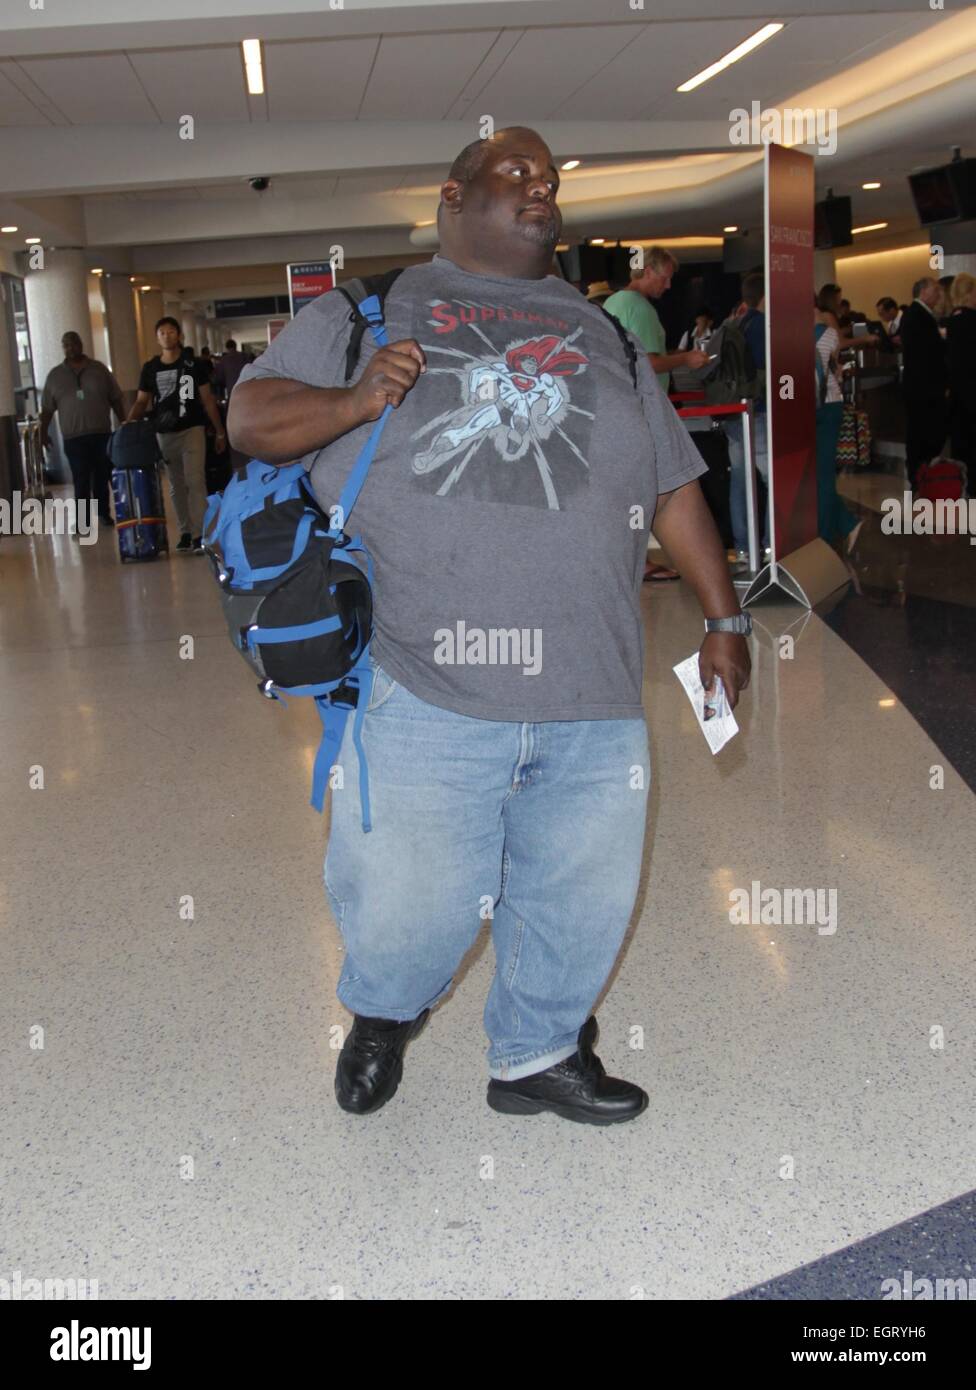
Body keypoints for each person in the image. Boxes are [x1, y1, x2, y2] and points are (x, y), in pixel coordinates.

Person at [227, 125, 751, 1126]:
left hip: (593, 681)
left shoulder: (600, 331)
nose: (539, 186)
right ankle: (384, 1010)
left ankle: (538, 1051)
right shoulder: (367, 306)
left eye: (549, 176)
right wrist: (350, 399)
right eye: (513, 172)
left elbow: (671, 481)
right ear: (453, 196)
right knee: (409, 895)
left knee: (578, 888)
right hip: (425, 674)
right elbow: (249, 418)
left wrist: (725, 617)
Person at [604, 248, 710, 581]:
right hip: (642, 410)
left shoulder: (612, 304)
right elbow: (649, 363)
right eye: (665, 279)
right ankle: (642, 559)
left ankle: (627, 557)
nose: (667, 287)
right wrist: (687, 360)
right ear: (649, 272)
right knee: (651, 489)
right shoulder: (641, 309)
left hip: (615, 410)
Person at [125, 317, 226, 552]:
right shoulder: (151, 368)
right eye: (162, 333)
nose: (167, 336)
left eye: (171, 332)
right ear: (156, 337)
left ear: (179, 335)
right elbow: (142, 400)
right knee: (176, 484)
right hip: (165, 433)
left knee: (195, 480)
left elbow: (207, 399)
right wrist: (129, 422)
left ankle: (201, 533)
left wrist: (220, 431)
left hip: (193, 429)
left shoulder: (193, 365)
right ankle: (185, 532)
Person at [39, 331, 126, 528]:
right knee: (80, 479)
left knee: (101, 477)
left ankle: (104, 514)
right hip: (73, 438)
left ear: (81, 344)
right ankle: (83, 521)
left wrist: (125, 423)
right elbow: (46, 409)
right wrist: (43, 433)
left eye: (74, 344)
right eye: (66, 345)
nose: (71, 348)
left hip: (101, 434)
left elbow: (116, 399)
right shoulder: (55, 376)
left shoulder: (99, 370)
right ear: (63, 348)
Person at [724, 273, 769, 567]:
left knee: (740, 480)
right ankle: (768, 545)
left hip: (734, 411)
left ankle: (743, 547)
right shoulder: (763, 326)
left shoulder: (734, 323)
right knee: (769, 478)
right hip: (759, 412)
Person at [814, 309, 862, 551]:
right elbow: (833, 368)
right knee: (822, 473)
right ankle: (842, 525)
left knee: (816, 474)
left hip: (801, 406)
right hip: (830, 402)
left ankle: (826, 534)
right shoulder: (830, 334)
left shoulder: (786, 333)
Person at [899, 277, 949, 488]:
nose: (938, 295)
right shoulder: (918, 315)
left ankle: (921, 474)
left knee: (922, 431)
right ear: (924, 292)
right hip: (925, 387)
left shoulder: (915, 315)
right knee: (924, 432)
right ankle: (920, 475)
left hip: (920, 386)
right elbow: (929, 352)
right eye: (935, 290)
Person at [946, 272, 976, 487]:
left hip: (957, 389)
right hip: (972, 387)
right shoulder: (971, 319)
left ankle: (964, 483)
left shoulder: (952, 321)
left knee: (961, 439)